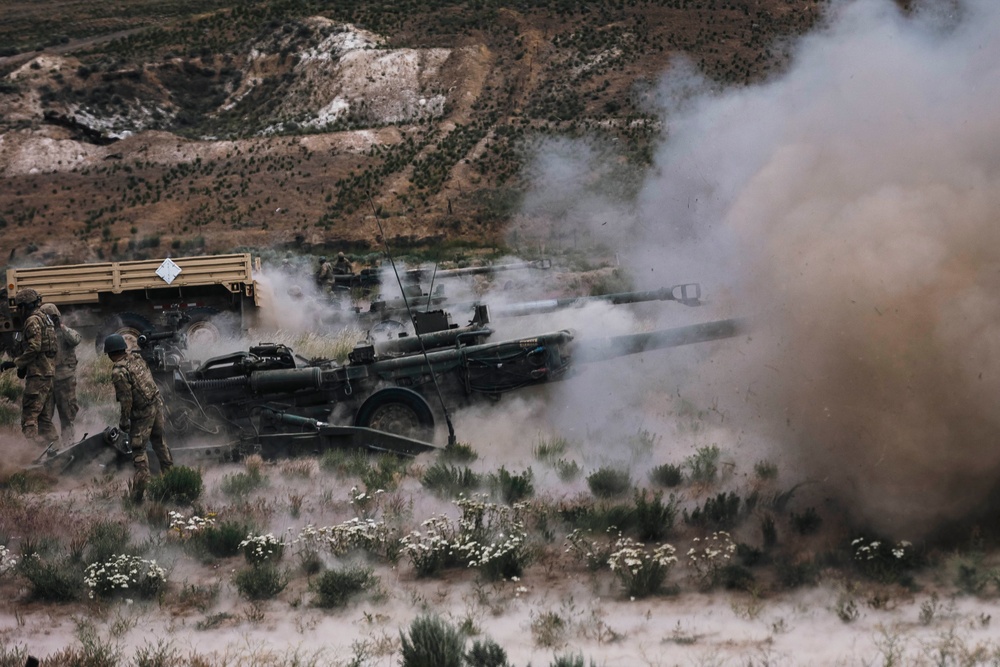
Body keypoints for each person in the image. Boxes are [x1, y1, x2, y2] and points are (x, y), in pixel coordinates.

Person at [104, 333, 173, 500]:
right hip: (156, 403)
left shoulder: (119, 371)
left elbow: (126, 400)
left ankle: (139, 494)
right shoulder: (136, 359)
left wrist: (124, 421)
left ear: (111, 353)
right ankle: (171, 479)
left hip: (142, 412)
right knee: (160, 442)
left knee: (138, 450)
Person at [0, 288, 58, 445]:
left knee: (29, 418)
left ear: (24, 306)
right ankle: (56, 452)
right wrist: (23, 367)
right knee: (45, 419)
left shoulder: (32, 321)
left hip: (38, 376)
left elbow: (34, 347)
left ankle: (33, 453)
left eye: (19, 307)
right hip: (48, 374)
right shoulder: (46, 319)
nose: (19, 311)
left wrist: (15, 363)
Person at [40, 303, 81, 444]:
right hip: (47, 381)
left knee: (67, 415)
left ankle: (69, 445)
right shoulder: (40, 334)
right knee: (45, 417)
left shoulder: (65, 332)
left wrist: (61, 327)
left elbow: (76, 339)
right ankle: (51, 447)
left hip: (65, 380)